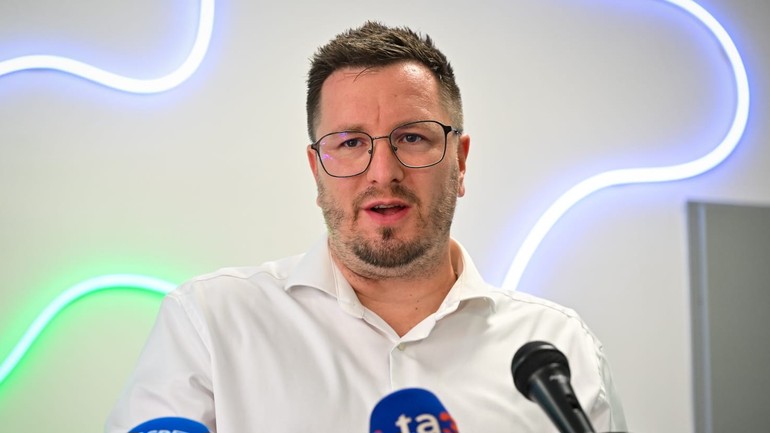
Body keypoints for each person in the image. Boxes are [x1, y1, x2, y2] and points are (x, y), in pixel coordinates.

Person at [106, 21, 627, 432]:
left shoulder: (557, 349)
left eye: (413, 138)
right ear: (317, 170)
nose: (383, 172)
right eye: (351, 142)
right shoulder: (212, 324)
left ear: (461, 161)